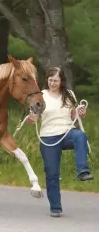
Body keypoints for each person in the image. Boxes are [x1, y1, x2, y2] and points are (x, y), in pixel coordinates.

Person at [27, 67, 93, 217]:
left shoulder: (69, 94)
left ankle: (82, 171)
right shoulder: (41, 96)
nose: (52, 83)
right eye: (50, 80)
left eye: (56, 80)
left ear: (61, 81)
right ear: (47, 80)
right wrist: (31, 119)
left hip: (66, 132)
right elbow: (33, 119)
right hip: (48, 137)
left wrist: (81, 112)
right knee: (52, 173)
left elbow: (74, 114)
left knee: (80, 136)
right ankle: (55, 208)